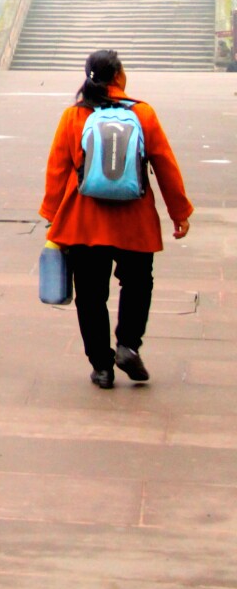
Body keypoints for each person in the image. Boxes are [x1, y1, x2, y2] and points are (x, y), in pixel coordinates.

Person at [40, 49, 193, 389]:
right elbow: (165, 165)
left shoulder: (73, 116)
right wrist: (179, 212)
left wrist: (52, 215)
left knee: (91, 295)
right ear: (120, 75)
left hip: (83, 219)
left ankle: (102, 366)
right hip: (134, 219)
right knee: (138, 283)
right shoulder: (143, 114)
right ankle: (127, 344)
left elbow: (57, 169)